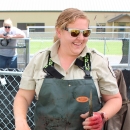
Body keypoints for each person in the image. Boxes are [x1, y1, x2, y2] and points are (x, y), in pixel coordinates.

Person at [13, 8, 122, 130]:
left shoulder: (98, 61)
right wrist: (20, 121)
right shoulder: (39, 60)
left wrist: (102, 115)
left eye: (85, 32)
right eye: (75, 32)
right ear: (59, 32)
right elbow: (23, 96)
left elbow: (114, 99)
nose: (81, 38)